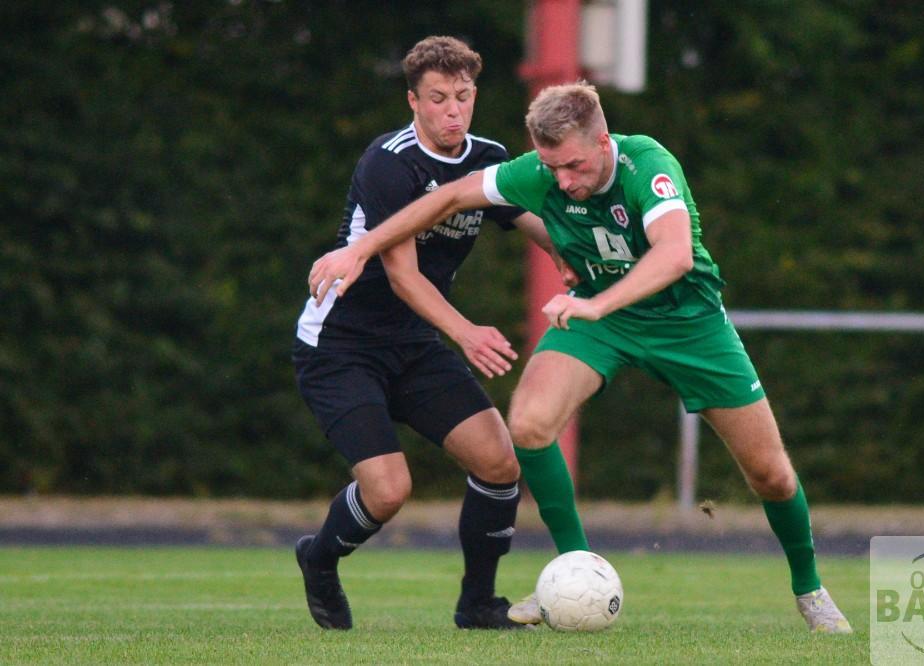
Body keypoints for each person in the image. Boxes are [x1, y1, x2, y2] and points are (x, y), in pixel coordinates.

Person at [308, 81, 854, 634]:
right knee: (528, 424)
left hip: (688, 324)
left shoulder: (648, 164)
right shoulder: (541, 173)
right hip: (600, 318)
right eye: (552, 168)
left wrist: (600, 303)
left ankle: (809, 589)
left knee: (771, 475)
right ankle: (578, 568)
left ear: (602, 142)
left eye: (571, 166)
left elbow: (674, 255)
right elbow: (446, 198)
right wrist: (360, 247)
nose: (562, 182)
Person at [293, 36, 560, 631]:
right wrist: (467, 334)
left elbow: (534, 223)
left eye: (463, 97)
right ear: (413, 100)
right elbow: (405, 278)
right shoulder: (388, 163)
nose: (452, 111)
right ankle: (318, 557)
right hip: (341, 346)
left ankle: (478, 605)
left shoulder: (487, 156)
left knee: (498, 463)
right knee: (388, 492)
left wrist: (587, 265)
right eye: (438, 98)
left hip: (412, 345)